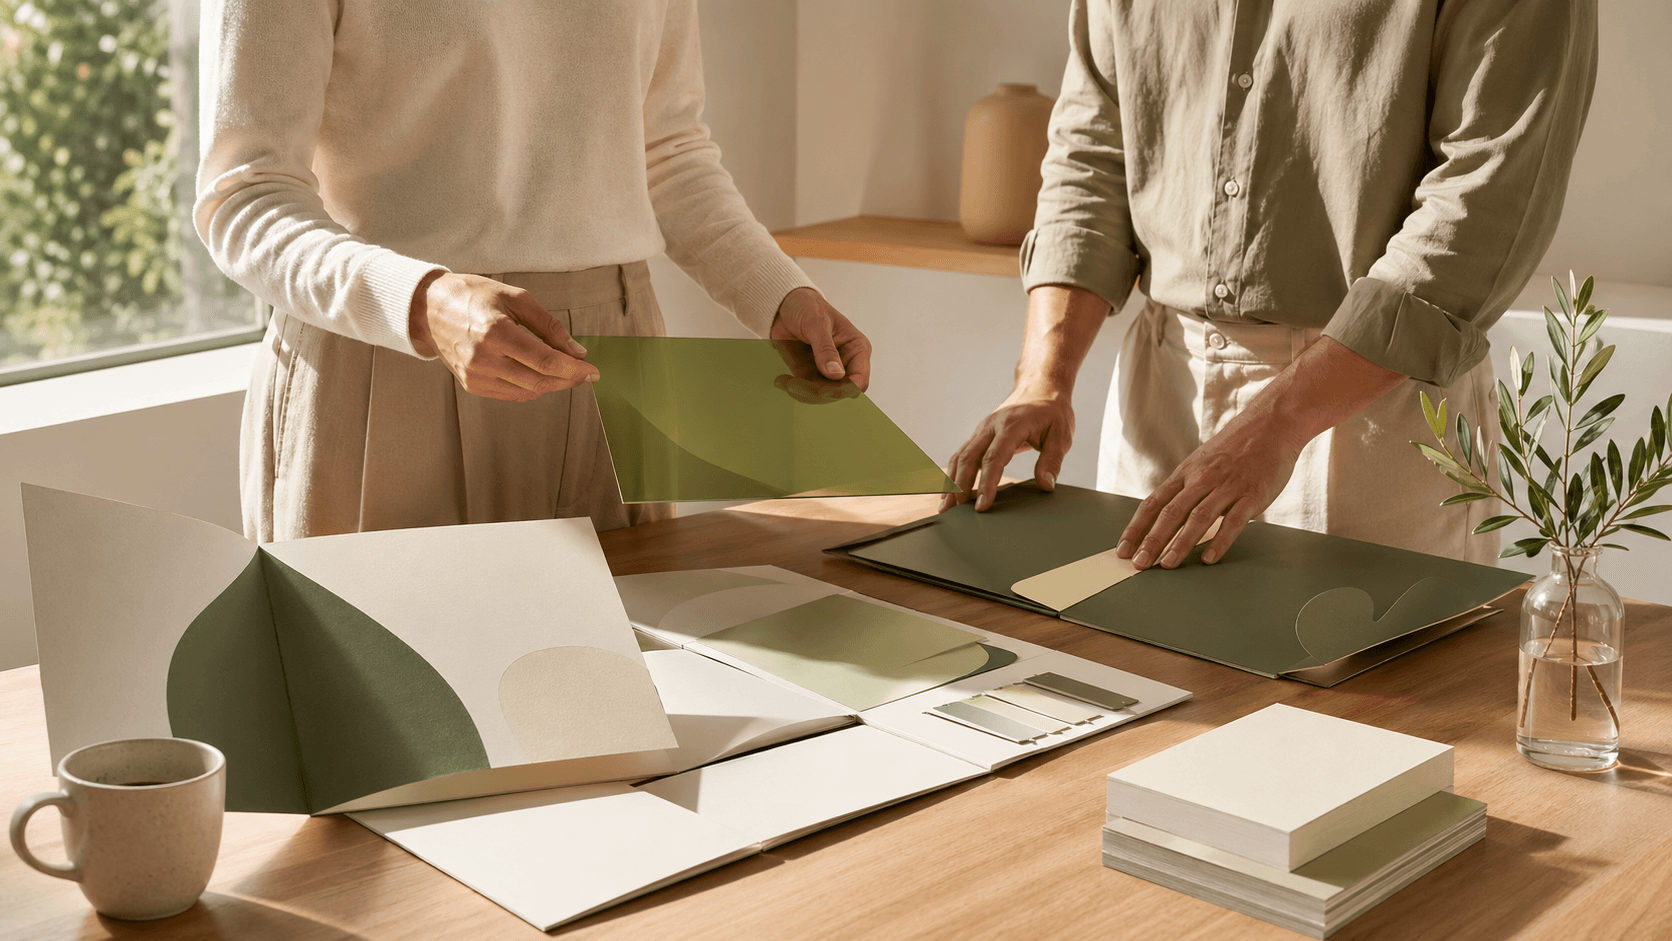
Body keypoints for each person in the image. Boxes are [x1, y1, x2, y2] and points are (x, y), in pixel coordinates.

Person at [943, 0, 1597, 569]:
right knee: (1145, 698)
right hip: (1161, 389)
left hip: (1375, 414)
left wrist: (1277, 424)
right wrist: (1044, 379)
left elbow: (1483, 208)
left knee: (1365, 707)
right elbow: (1093, 147)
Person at [194, 1, 870, 542]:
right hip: (387, 356)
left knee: (621, 699)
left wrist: (778, 292)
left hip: (611, 368)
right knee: (379, 701)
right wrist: (423, 302)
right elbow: (245, 196)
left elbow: (665, 147)